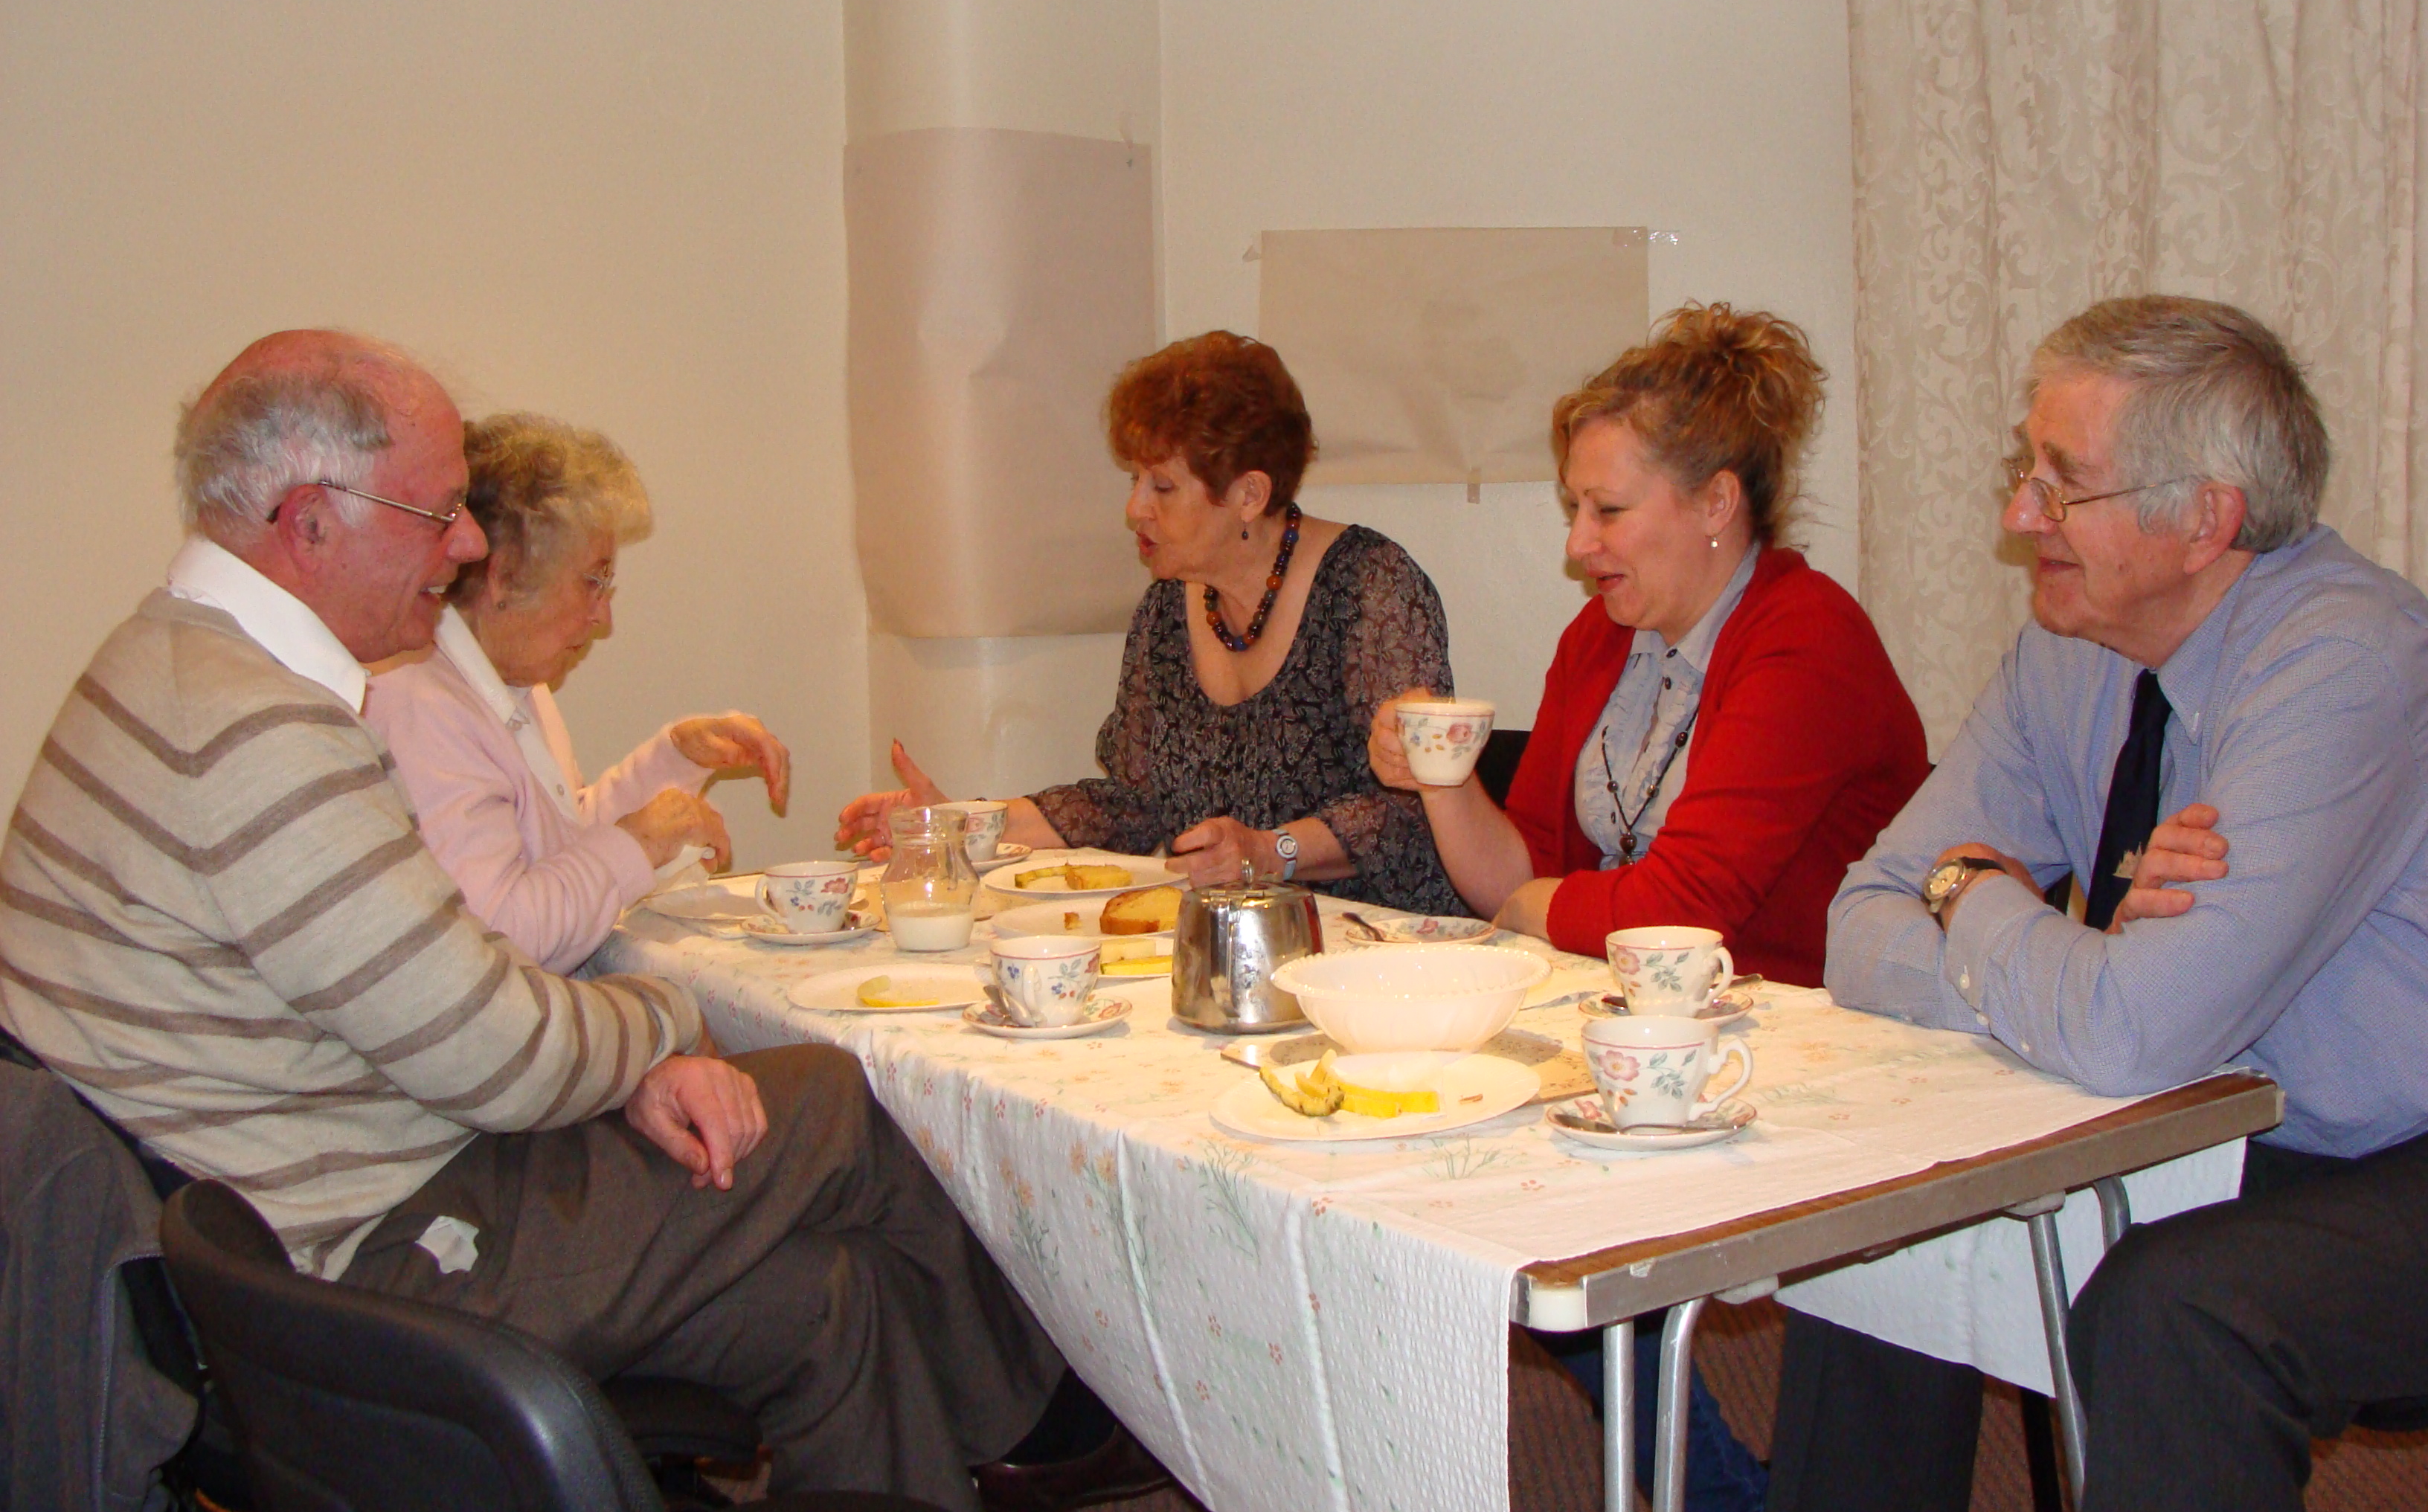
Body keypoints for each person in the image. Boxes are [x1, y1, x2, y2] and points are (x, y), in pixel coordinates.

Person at [0, 330, 1098, 1511]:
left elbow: (453, 998)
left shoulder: (161, 660)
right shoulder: (260, 733)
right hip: (362, 1266)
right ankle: (1049, 1416)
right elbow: (498, 1053)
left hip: (305, 1212)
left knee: (833, 1301)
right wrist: (664, 1031)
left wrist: (604, 1058)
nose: (468, 545)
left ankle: (999, 1426)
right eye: (436, 514)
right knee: (835, 1101)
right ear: (308, 523)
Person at [1799, 296, 2428, 1512]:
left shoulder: (2346, 657)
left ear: (2201, 516)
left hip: (2382, 1148)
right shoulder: (2069, 640)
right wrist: (2072, 964)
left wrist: (1978, 901)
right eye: (2021, 471)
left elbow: (2128, 1029)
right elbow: (1861, 918)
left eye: (2057, 483)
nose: (2015, 515)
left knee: (2173, 1308)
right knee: (1864, 1211)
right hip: (2186, 1110)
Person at [1369, 303, 1928, 988]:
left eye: (1608, 509)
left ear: (1716, 503)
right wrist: (1440, 775)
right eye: (1575, 507)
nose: (1577, 543)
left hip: (1801, 1026)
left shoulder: (1808, 638)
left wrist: (1535, 908)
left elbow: (1684, 913)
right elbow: (1522, 873)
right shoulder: (1598, 637)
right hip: (1645, 1015)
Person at [841, 330, 1462, 911]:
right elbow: (1136, 804)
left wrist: (1271, 851)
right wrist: (960, 825)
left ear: (1249, 494)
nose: (1135, 508)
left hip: (1382, 947)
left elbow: (1413, 806)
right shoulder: (1168, 609)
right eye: (1135, 480)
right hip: (1231, 942)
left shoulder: (1370, 587)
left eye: (1162, 487)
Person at [366, 412, 791, 973]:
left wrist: (676, 758)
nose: (604, 617)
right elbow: (502, 941)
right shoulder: (420, 706)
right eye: (593, 581)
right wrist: (639, 843)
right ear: (504, 578)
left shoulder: (510, 682)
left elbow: (560, 850)